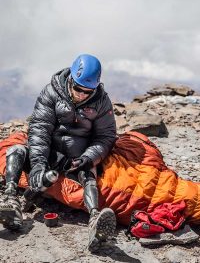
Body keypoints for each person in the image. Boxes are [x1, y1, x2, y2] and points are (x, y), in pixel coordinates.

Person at [0, 54, 117, 251]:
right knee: (17, 150)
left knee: (89, 171)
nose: (82, 94)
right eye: (78, 89)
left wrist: (88, 157)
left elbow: (106, 137)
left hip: (76, 159)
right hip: (49, 154)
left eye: (88, 91)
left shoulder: (101, 102)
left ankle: (95, 219)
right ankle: (11, 199)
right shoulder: (51, 92)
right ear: (71, 78)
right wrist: (38, 165)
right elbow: (39, 129)